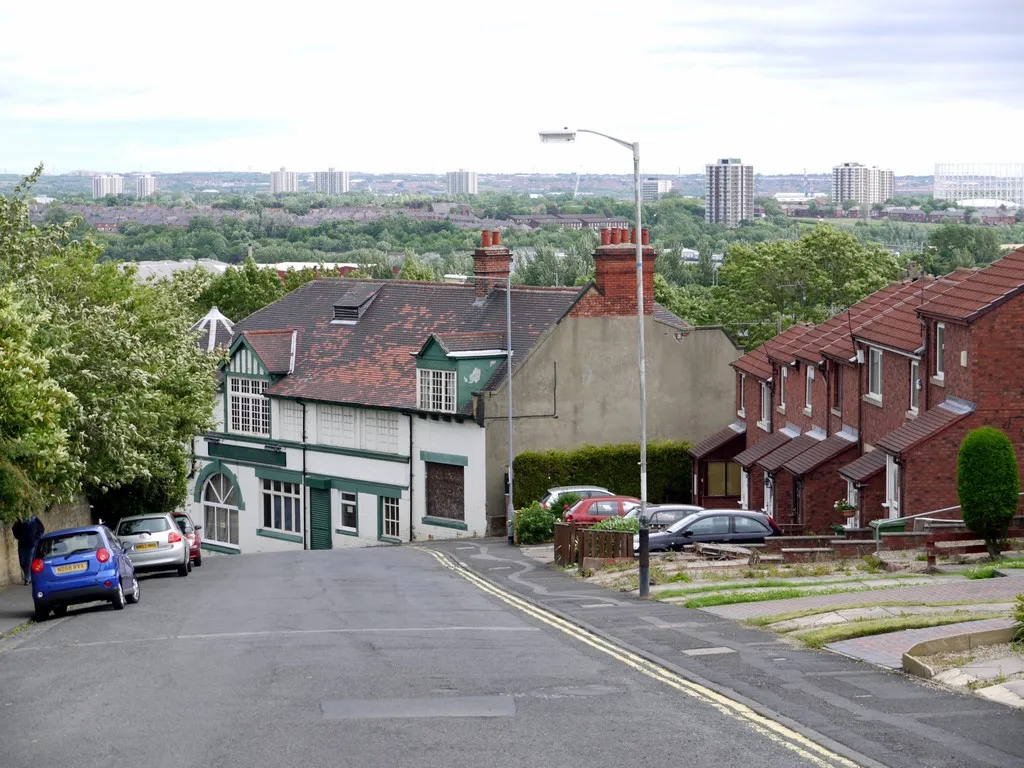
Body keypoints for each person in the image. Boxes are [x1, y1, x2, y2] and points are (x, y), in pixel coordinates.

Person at [12, 515, 45, 585]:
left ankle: (27, 579)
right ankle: (30, 576)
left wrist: (35, 538)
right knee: (22, 562)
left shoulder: (35, 519)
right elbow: (14, 529)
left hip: (31, 545)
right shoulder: (20, 520)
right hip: (22, 545)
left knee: (28, 563)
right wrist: (19, 537)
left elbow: (41, 529)